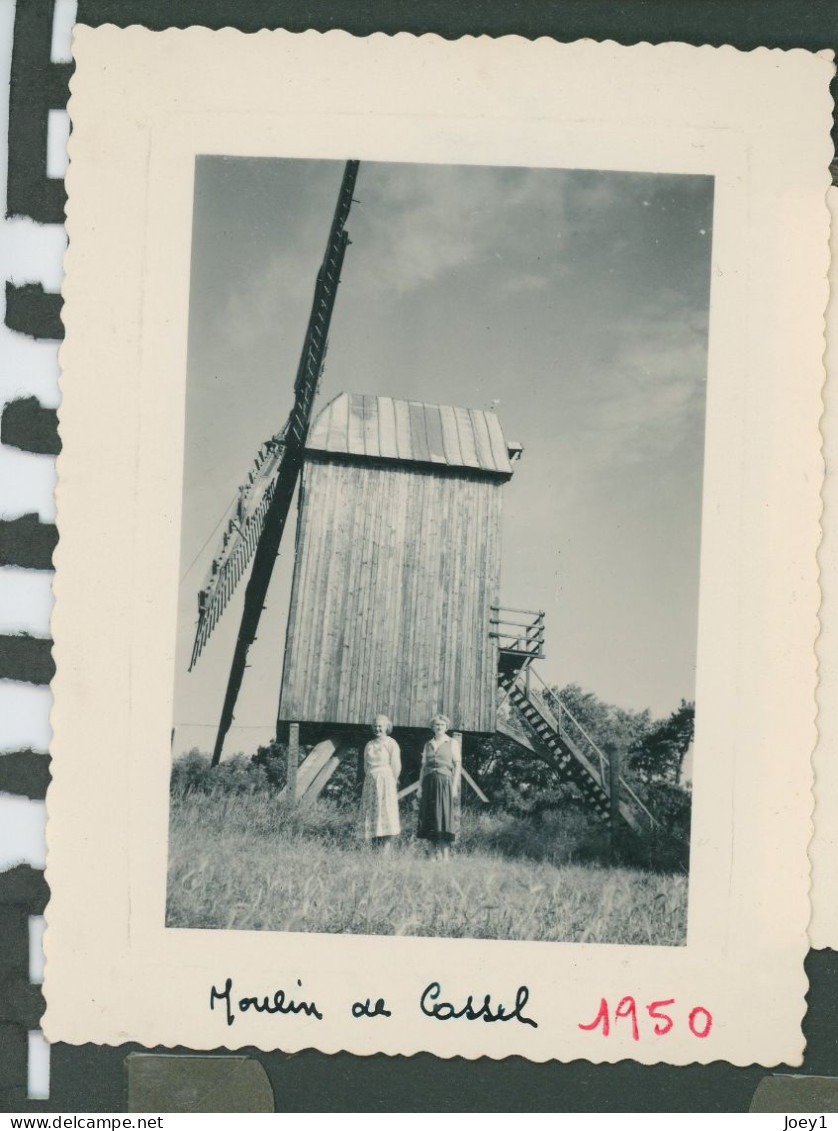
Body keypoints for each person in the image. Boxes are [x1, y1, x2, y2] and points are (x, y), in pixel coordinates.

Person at [417, 714, 461, 860]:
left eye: (442, 725)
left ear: (446, 727)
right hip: (428, 783)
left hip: (444, 782)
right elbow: (423, 767)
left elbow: (457, 765)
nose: (439, 727)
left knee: (443, 817)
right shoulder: (428, 744)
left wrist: (454, 786)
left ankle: (445, 857)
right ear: (433, 727)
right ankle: (431, 856)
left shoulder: (452, 743)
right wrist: (419, 787)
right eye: (437, 725)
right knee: (429, 817)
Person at [360, 714, 401, 849]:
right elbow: (366, 765)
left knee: (386, 812)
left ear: (386, 727)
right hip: (371, 780)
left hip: (386, 780)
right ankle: (374, 849)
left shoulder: (391, 743)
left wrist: (392, 782)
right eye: (375, 726)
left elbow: (396, 766)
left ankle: (385, 851)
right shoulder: (369, 744)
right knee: (372, 813)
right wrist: (371, 778)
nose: (378, 729)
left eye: (380, 726)